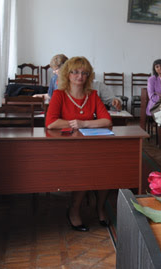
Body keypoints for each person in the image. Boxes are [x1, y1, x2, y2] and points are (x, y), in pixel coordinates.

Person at [45, 56, 112, 231]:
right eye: (75, 72)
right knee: (85, 168)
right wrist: (75, 123)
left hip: (90, 146)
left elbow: (107, 120)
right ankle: (74, 210)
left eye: (84, 73)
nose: (79, 76)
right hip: (66, 147)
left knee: (108, 167)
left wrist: (84, 123)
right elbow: (51, 123)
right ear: (67, 74)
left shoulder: (93, 95)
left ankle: (100, 207)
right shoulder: (59, 95)